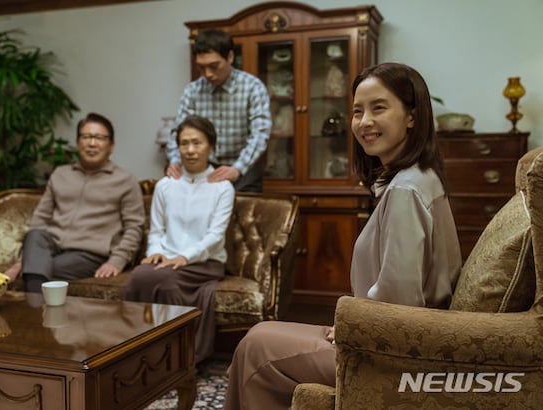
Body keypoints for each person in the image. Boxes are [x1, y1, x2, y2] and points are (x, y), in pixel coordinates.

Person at [224, 62, 462, 409]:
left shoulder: (406, 190)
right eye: (357, 111)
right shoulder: (417, 178)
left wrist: (351, 325)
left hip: (393, 354)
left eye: (378, 108)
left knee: (255, 349)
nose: (364, 122)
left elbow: (400, 301)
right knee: (259, 335)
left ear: (412, 116)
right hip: (389, 336)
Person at [125, 115, 235, 363]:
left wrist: (185, 257)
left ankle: (178, 358)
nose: (190, 150)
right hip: (167, 260)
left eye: (197, 142)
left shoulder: (223, 188)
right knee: (139, 275)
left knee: (166, 282)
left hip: (206, 262)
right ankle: (136, 353)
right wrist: (155, 251)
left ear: (211, 146)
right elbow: (157, 230)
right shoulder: (165, 186)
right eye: (184, 143)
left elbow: (215, 236)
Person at [12, 112, 145, 292]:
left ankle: (33, 305)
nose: (92, 143)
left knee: (39, 269)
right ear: (77, 142)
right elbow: (40, 218)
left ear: (111, 146)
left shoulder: (125, 180)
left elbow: (134, 227)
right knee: (35, 235)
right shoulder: (61, 174)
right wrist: (22, 261)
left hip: (90, 254)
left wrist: (116, 261)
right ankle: (37, 304)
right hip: (52, 246)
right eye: (86, 137)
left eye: (99, 138)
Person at [165, 28, 272, 192]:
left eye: (214, 66)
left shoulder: (252, 87)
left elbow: (260, 134)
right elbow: (178, 131)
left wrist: (237, 168)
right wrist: (174, 160)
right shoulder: (192, 91)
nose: (207, 74)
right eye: (201, 67)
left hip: (244, 171)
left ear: (230, 57)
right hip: (205, 171)